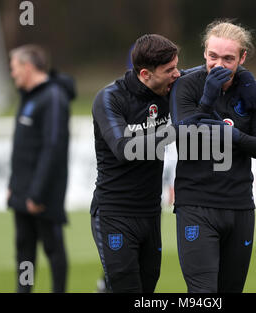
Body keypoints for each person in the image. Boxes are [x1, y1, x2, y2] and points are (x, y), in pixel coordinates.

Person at [170, 20, 256, 293]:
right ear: (204, 52)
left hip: (239, 206)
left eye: (229, 58)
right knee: (203, 295)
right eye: (213, 56)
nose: (219, 65)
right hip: (196, 204)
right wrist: (207, 99)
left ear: (242, 58)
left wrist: (233, 136)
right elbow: (184, 134)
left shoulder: (251, 89)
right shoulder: (187, 85)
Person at [90, 34, 181, 293]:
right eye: (170, 70)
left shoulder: (171, 85)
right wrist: (175, 130)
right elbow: (123, 148)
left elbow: (210, 72)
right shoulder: (110, 98)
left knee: (147, 289)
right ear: (145, 74)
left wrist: (246, 83)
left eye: (177, 66)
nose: (177, 74)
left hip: (151, 212)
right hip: (114, 213)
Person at [7, 44, 76, 293]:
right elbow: (24, 149)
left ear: (27, 67)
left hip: (43, 194)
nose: (12, 74)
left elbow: (53, 147)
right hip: (22, 191)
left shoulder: (53, 97)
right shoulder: (29, 96)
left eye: (14, 68)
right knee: (24, 250)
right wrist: (13, 186)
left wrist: (37, 193)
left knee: (52, 248)